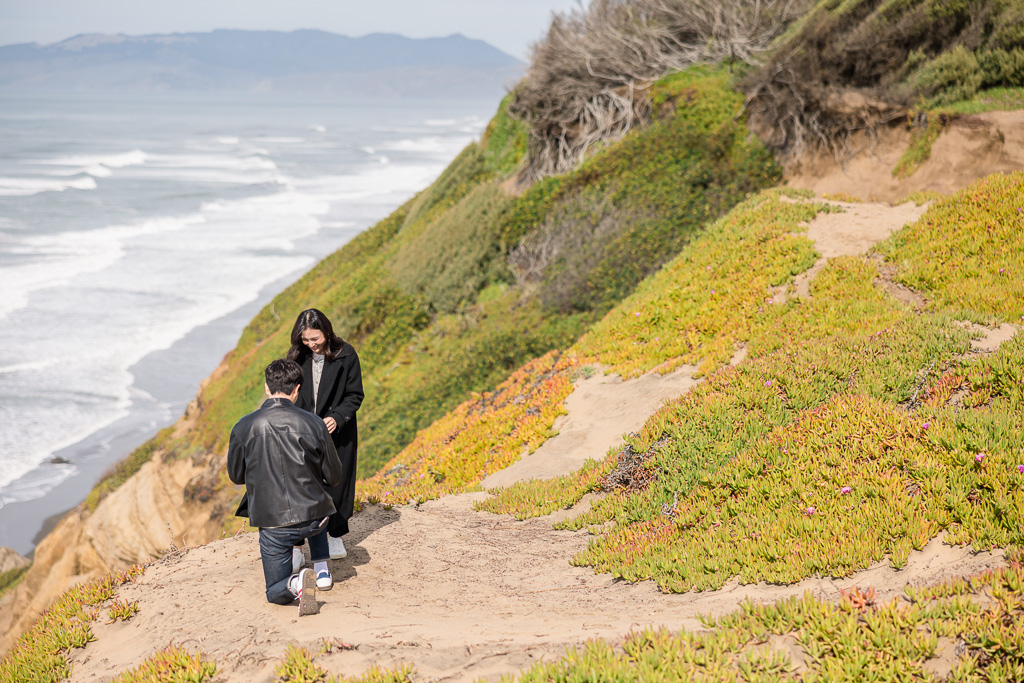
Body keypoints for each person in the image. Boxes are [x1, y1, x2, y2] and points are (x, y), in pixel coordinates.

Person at [227, 358, 343, 615]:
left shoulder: (243, 426)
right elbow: (334, 477)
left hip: (274, 524)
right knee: (315, 504)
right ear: (297, 390)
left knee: (274, 591)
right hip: (316, 519)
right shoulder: (315, 423)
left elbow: (236, 476)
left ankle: (296, 582)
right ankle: (321, 568)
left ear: (267, 388)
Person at [287, 308, 364, 562]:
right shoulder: (297, 356)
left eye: (315, 339)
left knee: (337, 483)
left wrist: (338, 417)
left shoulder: (347, 354)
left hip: (337, 430)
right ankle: (296, 546)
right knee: (301, 484)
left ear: (327, 332)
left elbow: (355, 395)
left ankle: (335, 535)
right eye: (306, 340)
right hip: (303, 431)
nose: (311, 345)